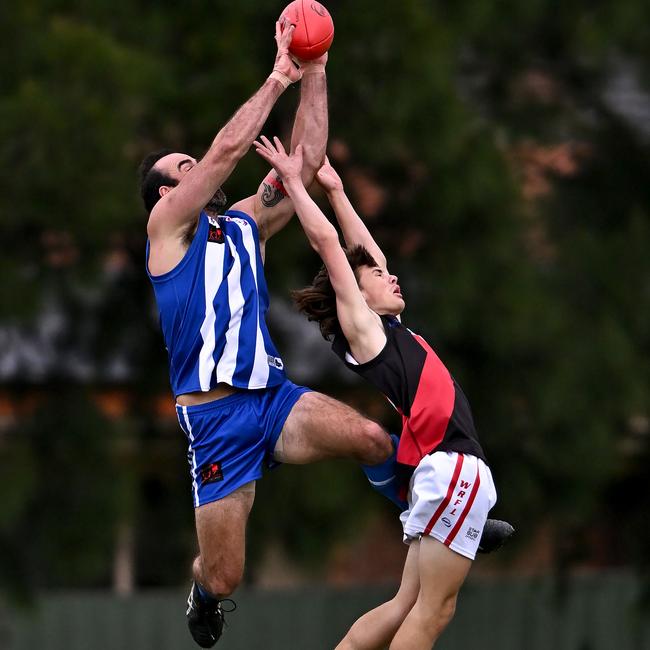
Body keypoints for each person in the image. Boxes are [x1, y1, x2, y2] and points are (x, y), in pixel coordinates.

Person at [139, 20, 395, 649]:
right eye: (182, 166)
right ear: (167, 192)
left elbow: (304, 161)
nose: (196, 163)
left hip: (271, 400)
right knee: (227, 577)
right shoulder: (167, 230)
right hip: (217, 418)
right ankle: (202, 589)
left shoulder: (242, 223)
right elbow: (227, 151)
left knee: (371, 437)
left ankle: (442, 521)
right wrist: (278, 74)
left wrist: (316, 71)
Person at [253, 137, 511, 650]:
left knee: (407, 605)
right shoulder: (366, 331)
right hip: (453, 466)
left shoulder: (384, 328)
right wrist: (298, 187)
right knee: (432, 613)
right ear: (354, 290)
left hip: (442, 470)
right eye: (376, 275)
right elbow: (333, 248)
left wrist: (337, 189)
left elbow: (364, 252)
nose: (389, 274)